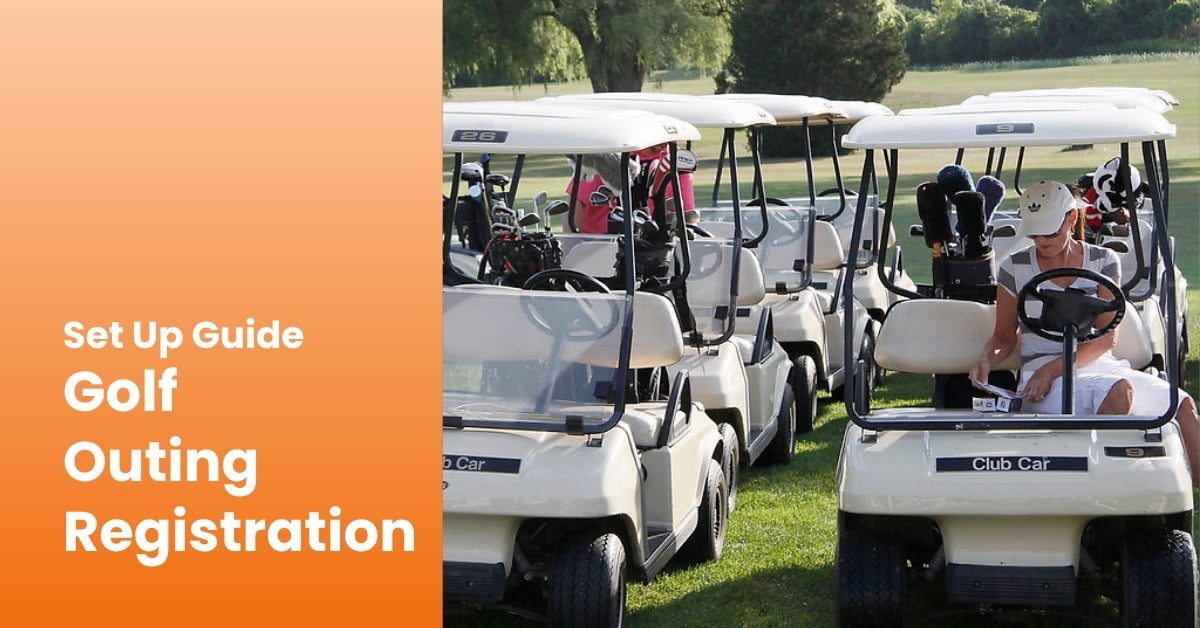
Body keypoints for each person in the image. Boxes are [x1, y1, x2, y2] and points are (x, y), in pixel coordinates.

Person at [968, 180, 1199, 487]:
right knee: (1118, 392)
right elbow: (1004, 337)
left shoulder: (1103, 261)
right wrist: (986, 359)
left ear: (1071, 219)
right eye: (1035, 233)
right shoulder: (1014, 266)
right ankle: (1099, 492)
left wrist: (1054, 370)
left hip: (1096, 364)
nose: (1041, 241)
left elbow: (1107, 337)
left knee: (1182, 405)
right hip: (1039, 378)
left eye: (1050, 232)